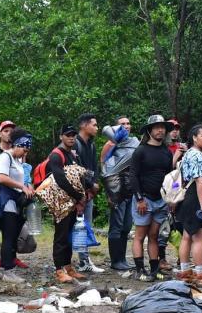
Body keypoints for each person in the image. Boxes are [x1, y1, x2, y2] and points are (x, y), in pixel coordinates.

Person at [128, 115, 175, 282]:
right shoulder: (140, 151)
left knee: (154, 235)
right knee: (140, 235)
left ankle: (155, 269)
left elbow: (170, 177)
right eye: (156, 127)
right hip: (144, 199)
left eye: (162, 127)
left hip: (161, 200)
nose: (160, 130)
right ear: (149, 130)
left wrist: (172, 199)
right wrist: (139, 198)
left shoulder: (166, 152)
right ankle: (139, 269)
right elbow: (133, 176)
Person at [0, 129, 34, 285]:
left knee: (12, 236)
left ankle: (5, 269)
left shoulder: (18, 161)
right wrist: (21, 186)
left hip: (16, 201)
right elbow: (1, 177)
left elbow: (23, 179)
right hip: (6, 201)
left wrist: (28, 187)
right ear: (17, 145)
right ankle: (8, 270)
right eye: (24, 149)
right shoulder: (5, 157)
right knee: (9, 236)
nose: (25, 153)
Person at [175, 124, 202, 286]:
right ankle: (201, 275)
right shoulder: (196, 155)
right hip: (197, 198)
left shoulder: (190, 154)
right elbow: (199, 181)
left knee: (187, 237)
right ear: (194, 137)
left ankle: (185, 272)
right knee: (198, 238)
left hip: (190, 197)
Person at [50, 125, 89, 283]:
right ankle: (59, 270)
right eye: (67, 135)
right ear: (61, 137)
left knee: (68, 236)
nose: (71, 138)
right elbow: (61, 180)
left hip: (73, 202)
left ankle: (68, 266)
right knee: (61, 236)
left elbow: (80, 176)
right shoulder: (56, 155)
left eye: (73, 135)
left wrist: (82, 197)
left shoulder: (72, 155)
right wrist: (79, 196)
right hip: (61, 202)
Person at [102, 119, 138, 272]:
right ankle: (115, 260)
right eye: (122, 124)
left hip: (130, 190)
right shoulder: (111, 143)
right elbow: (105, 168)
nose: (126, 126)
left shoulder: (134, 142)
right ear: (116, 127)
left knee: (127, 225)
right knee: (116, 226)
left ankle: (122, 259)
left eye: (128, 123)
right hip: (117, 191)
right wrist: (110, 193)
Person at [73, 113, 103, 273]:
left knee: (85, 226)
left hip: (89, 192)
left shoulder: (90, 145)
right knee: (77, 227)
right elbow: (76, 169)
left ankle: (84, 260)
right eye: (94, 124)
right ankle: (80, 261)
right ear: (84, 126)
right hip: (77, 194)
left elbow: (94, 167)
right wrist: (89, 185)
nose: (97, 128)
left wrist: (93, 186)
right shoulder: (75, 144)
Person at [155, 119, 187, 271]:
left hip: (181, 191)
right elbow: (168, 171)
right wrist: (176, 157)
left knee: (181, 226)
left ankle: (183, 259)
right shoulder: (163, 148)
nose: (175, 131)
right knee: (164, 228)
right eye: (172, 128)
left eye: (177, 128)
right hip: (165, 191)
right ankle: (161, 259)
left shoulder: (181, 147)